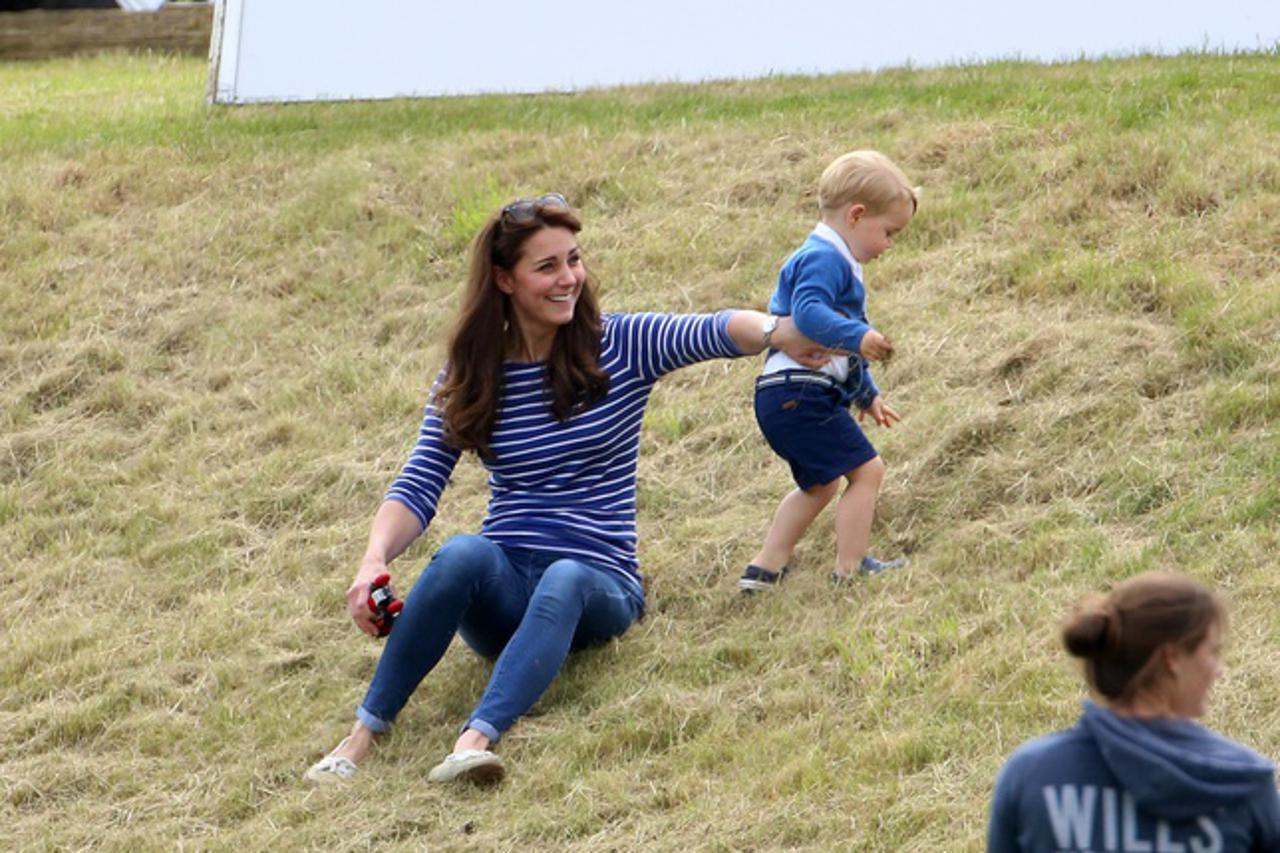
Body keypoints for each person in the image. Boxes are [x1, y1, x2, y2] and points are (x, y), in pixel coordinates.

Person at [304, 193, 830, 785]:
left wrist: (777, 331)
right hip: (507, 585)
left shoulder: (620, 345)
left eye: (574, 260)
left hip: (598, 581)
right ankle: (360, 739)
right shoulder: (472, 373)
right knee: (460, 554)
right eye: (547, 266)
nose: (569, 278)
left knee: (566, 576)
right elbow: (422, 478)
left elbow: (714, 329)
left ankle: (475, 741)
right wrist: (372, 561)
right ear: (504, 279)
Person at [988, 571, 1280, 852]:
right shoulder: (1242, 783)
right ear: (1172, 658)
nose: (1218, 671)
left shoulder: (1033, 774)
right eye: (1213, 652)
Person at [739, 150, 916, 593]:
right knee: (868, 472)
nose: (889, 245)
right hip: (803, 392)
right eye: (889, 232)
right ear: (856, 215)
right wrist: (859, 334)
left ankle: (764, 568)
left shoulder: (835, 258)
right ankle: (849, 570)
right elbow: (808, 314)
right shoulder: (824, 258)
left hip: (784, 394)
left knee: (821, 484)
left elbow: (839, 350)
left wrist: (867, 394)